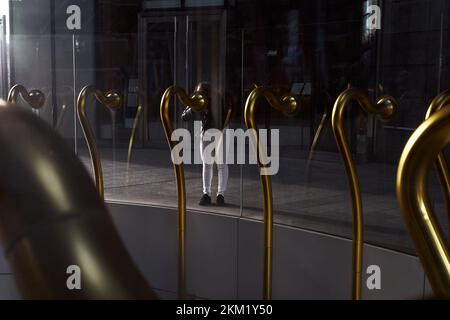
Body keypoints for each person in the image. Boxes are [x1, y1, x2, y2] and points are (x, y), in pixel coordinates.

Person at [181, 82, 229, 206]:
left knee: (221, 164)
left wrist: (209, 108)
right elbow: (184, 117)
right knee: (207, 164)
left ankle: (220, 195)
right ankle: (206, 194)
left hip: (221, 130)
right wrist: (193, 108)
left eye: (202, 94)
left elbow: (223, 118)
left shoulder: (219, 101)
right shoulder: (201, 100)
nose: (200, 96)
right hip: (206, 131)